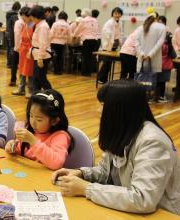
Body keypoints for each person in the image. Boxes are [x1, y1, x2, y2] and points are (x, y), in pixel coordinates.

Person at [51, 80, 180, 215]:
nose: (99, 110)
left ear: (119, 110)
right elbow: (106, 171)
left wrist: (86, 188)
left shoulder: (153, 142)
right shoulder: (123, 129)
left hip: (163, 214)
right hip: (128, 210)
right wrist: (81, 173)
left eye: (103, 105)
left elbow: (142, 199)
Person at [5, 89, 71, 170]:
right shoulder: (30, 129)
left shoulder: (60, 136)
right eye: (31, 116)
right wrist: (12, 147)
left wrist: (33, 141)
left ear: (54, 121)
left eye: (39, 119)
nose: (33, 122)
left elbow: (56, 163)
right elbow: (22, 151)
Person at [136, 13, 166, 101]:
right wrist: (150, 55)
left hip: (142, 58)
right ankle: (151, 97)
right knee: (152, 78)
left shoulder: (140, 27)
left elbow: (136, 42)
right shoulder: (161, 27)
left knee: (141, 77)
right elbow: (159, 43)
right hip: (154, 58)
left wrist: (141, 54)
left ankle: (142, 97)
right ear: (157, 18)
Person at [29, 5, 53, 92]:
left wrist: (40, 57)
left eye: (32, 16)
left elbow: (43, 43)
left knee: (41, 78)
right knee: (36, 78)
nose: (31, 18)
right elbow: (36, 42)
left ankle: (51, 94)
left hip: (42, 56)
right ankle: (36, 95)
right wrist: (30, 51)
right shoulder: (39, 25)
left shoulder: (43, 26)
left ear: (37, 16)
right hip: (38, 54)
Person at [12, 6, 34, 97]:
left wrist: (31, 50)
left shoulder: (33, 25)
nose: (22, 18)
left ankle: (30, 90)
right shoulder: (25, 24)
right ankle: (21, 89)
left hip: (29, 50)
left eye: (23, 16)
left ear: (28, 16)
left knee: (29, 71)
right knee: (21, 70)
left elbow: (34, 40)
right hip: (23, 49)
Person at [97, 7, 123, 84]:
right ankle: (101, 78)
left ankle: (104, 78)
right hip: (108, 44)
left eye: (118, 13)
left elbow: (120, 33)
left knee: (109, 62)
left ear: (121, 14)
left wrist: (120, 42)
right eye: (115, 13)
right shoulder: (109, 22)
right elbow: (106, 33)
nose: (117, 15)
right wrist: (111, 41)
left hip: (115, 43)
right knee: (106, 62)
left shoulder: (120, 22)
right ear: (112, 14)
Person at [73, 8, 99, 76]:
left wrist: (74, 36)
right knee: (91, 57)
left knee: (85, 57)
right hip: (95, 40)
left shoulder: (84, 20)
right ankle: (89, 72)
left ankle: (85, 72)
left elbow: (78, 29)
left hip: (87, 40)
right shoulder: (95, 20)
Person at [157, 16, 174, 103]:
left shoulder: (167, 40)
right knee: (160, 80)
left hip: (163, 63)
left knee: (161, 80)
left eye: (162, 22)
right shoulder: (157, 37)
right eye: (159, 22)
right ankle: (159, 96)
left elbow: (171, 53)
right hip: (159, 62)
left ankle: (160, 96)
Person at [8, 4, 25, 87]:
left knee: (15, 64)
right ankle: (22, 82)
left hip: (19, 46)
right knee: (22, 65)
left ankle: (13, 80)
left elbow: (17, 34)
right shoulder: (26, 23)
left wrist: (16, 47)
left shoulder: (18, 22)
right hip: (23, 47)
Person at [6, 1, 21, 73]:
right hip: (12, 34)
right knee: (12, 49)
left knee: (9, 49)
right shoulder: (14, 16)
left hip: (8, 33)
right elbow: (15, 27)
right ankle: (12, 64)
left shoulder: (8, 14)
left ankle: (9, 63)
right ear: (18, 8)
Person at [172, 16, 180, 101]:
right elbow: (174, 43)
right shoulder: (177, 30)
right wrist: (177, 50)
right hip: (178, 55)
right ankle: (177, 91)